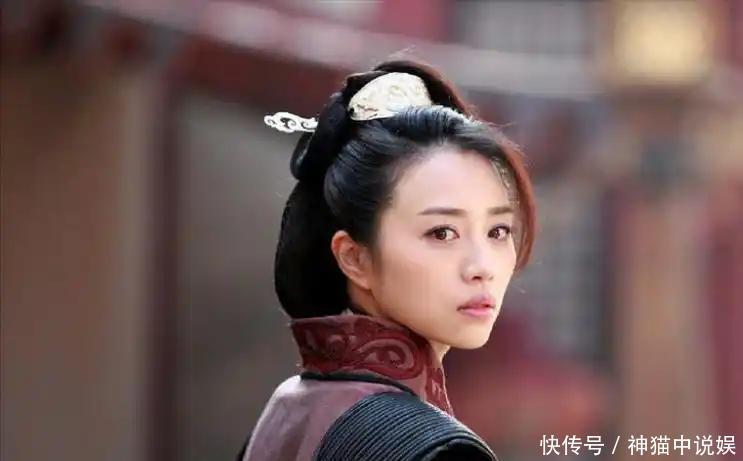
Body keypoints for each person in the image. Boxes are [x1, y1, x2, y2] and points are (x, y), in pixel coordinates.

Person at [239, 58, 536, 461]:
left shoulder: (290, 408)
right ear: (355, 258)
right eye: (442, 233)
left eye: (498, 231)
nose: (481, 267)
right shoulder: (433, 449)